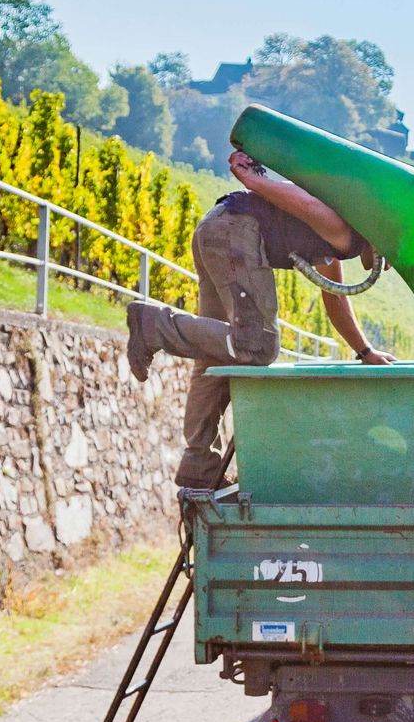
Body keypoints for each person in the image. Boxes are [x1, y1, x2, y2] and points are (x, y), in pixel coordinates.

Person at [126, 150, 396, 498]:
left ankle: (198, 467)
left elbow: (335, 298)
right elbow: (301, 201)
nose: (386, 263)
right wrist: (254, 179)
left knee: (215, 357)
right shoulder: (342, 231)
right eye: (389, 251)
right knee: (257, 344)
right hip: (235, 234)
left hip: (216, 227)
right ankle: (152, 325)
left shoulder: (336, 241)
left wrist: (365, 351)